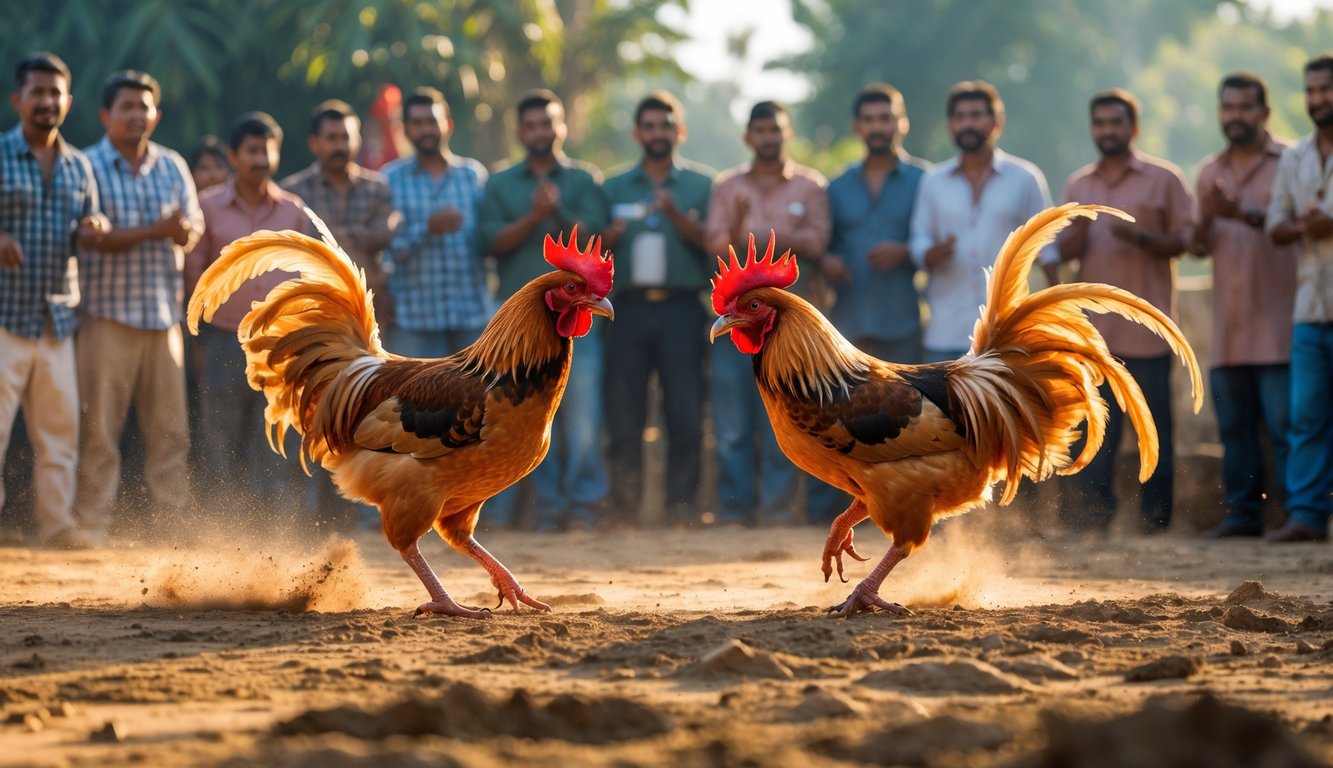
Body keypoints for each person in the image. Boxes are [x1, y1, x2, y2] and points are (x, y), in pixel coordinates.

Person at [1056, 88, 1195, 535]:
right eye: (1100, 124)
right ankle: (1091, 521)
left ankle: (1156, 521)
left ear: (1133, 128)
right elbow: (1064, 252)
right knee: (1097, 432)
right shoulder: (1080, 185)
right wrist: (1073, 236)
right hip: (1094, 339)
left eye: (1116, 123)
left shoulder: (1164, 178)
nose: (1107, 131)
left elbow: (1187, 240)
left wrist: (1145, 240)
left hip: (1148, 335)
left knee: (1154, 432)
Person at [75, 69, 203, 544]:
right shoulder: (85, 166)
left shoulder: (172, 165)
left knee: (171, 434)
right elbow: (89, 238)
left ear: (157, 114)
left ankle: (172, 525)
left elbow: (192, 230)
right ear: (106, 115)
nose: (135, 114)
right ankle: (92, 523)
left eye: (143, 106)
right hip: (106, 315)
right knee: (99, 430)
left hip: (163, 317)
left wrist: (174, 231)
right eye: (126, 106)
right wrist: (156, 230)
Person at [478, 89, 608, 530]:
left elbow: (597, 238)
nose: (540, 132)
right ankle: (546, 508)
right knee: (527, 418)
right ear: (519, 131)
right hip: (521, 327)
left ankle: (585, 508)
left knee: (583, 420)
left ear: (562, 127)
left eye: (547, 123)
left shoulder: (585, 179)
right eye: (531, 125)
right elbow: (490, 243)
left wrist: (558, 211)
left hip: (576, 319)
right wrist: (533, 218)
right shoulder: (499, 183)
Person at [703, 100, 830, 526]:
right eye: (760, 130)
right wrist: (745, 235)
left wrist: (750, 235)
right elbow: (715, 244)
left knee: (784, 423)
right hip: (738, 322)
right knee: (733, 427)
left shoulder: (811, 187)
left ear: (787, 133)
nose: (768, 137)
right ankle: (735, 512)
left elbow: (818, 241)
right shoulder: (727, 186)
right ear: (748, 137)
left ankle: (777, 513)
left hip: (788, 333)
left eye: (775, 129)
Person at [0, 52, 107, 549]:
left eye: (54, 93)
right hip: (5, 317)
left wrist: (95, 228)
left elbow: (91, 225)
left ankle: (57, 526)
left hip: (57, 318)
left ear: (68, 101)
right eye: (36, 92)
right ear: (17, 99)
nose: (46, 101)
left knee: (60, 435)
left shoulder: (79, 165)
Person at [186, 111, 310, 519]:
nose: (261, 158)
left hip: (279, 346)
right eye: (252, 150)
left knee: (275, 442)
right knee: (220, 440)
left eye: (268, 149)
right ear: (233, 156)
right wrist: (198, 339)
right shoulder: (207, 206)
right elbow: (193, 274)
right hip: (223, 340)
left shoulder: (292, 211)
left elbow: (307, 277)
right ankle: (220, 530)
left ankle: (272, 533)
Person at [281, 99, 397, 529]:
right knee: (314, 412)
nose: (339, 145)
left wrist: (331, 238)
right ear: (314, 142)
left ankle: (364, 516)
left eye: (345, 136)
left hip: (374, 318)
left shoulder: (378, 187)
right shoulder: (296, 191)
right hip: (319, 322)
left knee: (377, 417)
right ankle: (309, 517)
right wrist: (356, 237)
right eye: (330, 137)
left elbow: (385, 233)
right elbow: (302, 241)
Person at [1190, 73, 1297, 539]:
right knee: (1235, 431)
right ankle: (1242, 516)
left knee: (1287, 428)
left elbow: (1297, 228)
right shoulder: (1209, 171)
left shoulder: (1293, 162)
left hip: (1282, 323)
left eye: (1245, 107)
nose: (1235, 116)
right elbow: (1196, 245)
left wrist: (1240, 214)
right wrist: (1210, 217)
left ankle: (1301, 516)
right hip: (1229, 329)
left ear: (1264, 113)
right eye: (1228, 108)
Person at [601, 91, 712, 527]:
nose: (657, 133)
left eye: (666, 125)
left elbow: (712, 244)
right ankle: (625, 510)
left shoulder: (702, 185)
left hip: (683, 309)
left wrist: (676, 215)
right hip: (625, 310)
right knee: (624, 415)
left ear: (678, 131)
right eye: (649, 126)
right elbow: (592, 246)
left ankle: (680, 511)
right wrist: (609, 236)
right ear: (637, 133)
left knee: (685, 414)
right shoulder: (612, 187)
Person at [909, 80, 1056, 362]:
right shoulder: (933, 181)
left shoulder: (1025, 178)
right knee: (943, 408)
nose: (967, 124)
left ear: (996, 122)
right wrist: (930, 252)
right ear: (950, 125)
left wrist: (1058, 314)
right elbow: (918, 239)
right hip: (945, 330)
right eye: (959, 117)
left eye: (976, 115)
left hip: (1008, 330)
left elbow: (1048, 247)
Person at [1265, 52, 1333, 543]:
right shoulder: (1295, 157)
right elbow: (1276, 225)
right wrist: (1304, 226)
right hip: (1310, 307)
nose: (1318, 100)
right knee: (1305, 415)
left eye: (1326, 90)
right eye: (1311, 91)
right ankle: (1307, 515)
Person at [380, 87, 491, 356]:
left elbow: (487, 240)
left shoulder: (472, 175)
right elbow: (387, 249)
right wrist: (426, 229)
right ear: (405, 129)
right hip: (414, 320)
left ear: (448, 126)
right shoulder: (389, 179)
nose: (425, 130)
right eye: (417, 123)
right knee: (414, 399)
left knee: (473, 398)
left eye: (432, 121)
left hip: (470, 314)